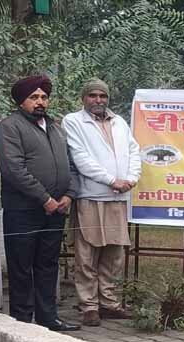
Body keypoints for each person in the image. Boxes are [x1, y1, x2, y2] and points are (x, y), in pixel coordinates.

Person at [0, 75, 80, 332]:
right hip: (24, 210)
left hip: (56, 209)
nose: (40, 101)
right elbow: (14, 169)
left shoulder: (55, 127)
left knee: (48, 264)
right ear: (22, 101)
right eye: (34, 97)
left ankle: (48, 317)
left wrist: (68, 194)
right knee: (21, 265)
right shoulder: (10, 127)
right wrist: (45, 199)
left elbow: (71, 164)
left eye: (43, 97)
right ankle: (22, 321)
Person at [63, 79, 141, 326]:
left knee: (114, 253)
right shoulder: (73, 121)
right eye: (93, 95)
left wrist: (131, 178)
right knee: (87, 254)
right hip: (91, 196)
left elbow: (133, 151)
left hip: (118, 197)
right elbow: (79, 157)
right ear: (83, 98)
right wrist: (110, 179)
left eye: (102, 96)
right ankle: (88, 306)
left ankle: (109, 303)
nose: (98, 100)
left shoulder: (119, 122)